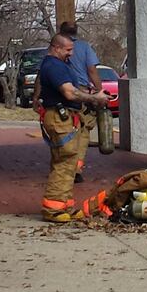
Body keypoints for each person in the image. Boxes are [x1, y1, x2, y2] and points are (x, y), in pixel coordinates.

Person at [37, 33, 109, 223]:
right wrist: (95, 98)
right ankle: (52, 209)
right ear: (57, 47)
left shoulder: (59, 65)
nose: (71, 54)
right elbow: (69, 93)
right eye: (68, 50)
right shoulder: (53, 66)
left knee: (69, 164)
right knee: (64, 162)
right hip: (60, 118)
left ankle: (65, 204)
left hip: (66, 118)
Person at [57, 20, 102, 178]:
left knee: (63, 131)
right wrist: (99, 91)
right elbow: (92, 70)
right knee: (82, 131)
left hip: (59, 94)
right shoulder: (84, 47)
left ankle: (63, 167)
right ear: (76, 32)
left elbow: (42, 73)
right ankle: (76, 169)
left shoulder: (54, 49)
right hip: (81, 93)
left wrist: (36, 97)